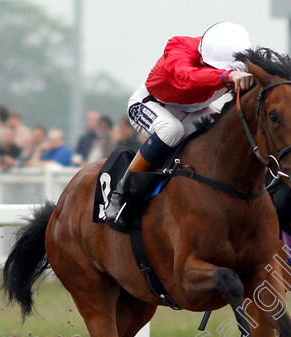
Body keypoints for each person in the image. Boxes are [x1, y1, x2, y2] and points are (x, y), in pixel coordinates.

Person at [104, 21, 255, 224]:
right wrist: (227, 75)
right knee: (171, 130)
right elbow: (186, 77)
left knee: (222, 131)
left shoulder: (239, 58)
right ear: (203, 55)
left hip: (194, 109)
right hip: (150, 104)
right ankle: (122, 192)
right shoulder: (178, 46)